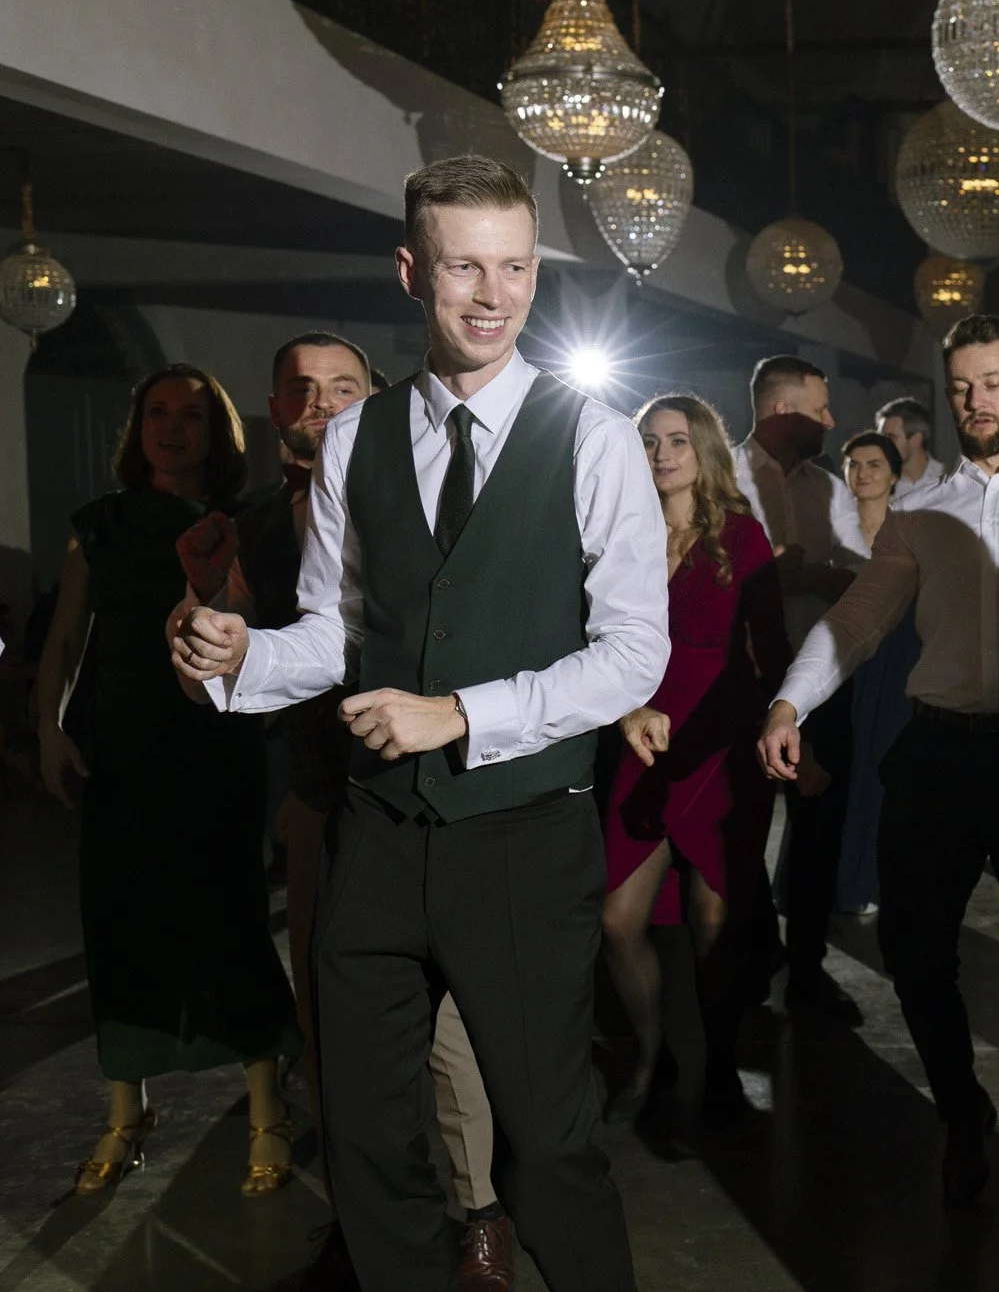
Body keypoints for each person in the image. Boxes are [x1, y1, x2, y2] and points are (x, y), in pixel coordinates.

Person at [168, 155, 665, 1291]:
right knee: (367, 1142)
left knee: (545, 1149)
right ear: (411, 272)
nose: (492, 295)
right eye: (462, 268)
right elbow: (338, 634)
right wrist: (242, 657)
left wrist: (460, 714)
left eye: (515, 268)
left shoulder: (591, 439)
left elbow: (634, 652)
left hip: (524, 838)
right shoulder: (354, 438)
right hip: (376, 839)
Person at [757, 313, 999, 1230]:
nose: (977, 400)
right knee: (912, 950)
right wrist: (788, 702)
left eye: (994, 382)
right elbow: (857, 620)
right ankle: (963, 1107)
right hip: (935, 748)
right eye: (962, 385)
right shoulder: (921, 512)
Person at [187, 332, 513, 1286]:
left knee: (449, 1027)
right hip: (317, 788)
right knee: (334, 1025)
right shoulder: (240, 524)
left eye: (342, 386)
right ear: (276, 406)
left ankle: (480, 1213)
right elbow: (232, 645)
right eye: (302, 388)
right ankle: (365, 1221)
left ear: (373, 396)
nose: (321, 403)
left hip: (425, 787)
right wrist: (202, 631)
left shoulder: (425, 488)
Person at [35, 364, 300, 1200]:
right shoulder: (100, 525)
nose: (173, 427)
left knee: (227, 917)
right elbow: (67, 640)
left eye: (193, 414)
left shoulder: (243, 521)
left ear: (219, 433)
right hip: (121, 751)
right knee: (118, 925)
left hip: (213, 748)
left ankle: (266, 1108)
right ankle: (127, 1111)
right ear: (136, 426)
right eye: (158, 411)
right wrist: (49, 727)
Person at [601, 394, 791, 1127]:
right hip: (640, 735)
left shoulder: (741, 536)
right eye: (649, 442)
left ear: (704, 449)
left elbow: (770, 649)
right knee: (618, 919)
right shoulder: (623, 533)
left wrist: (790, 733)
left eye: (677, 440)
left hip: (722, 739)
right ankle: (654, 1055)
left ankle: (717, 1069)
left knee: (717, 922)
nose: (661, 454)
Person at [733, 354, 868, 1026]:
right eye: (820, 409)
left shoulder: (827, 488)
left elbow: (861, 576)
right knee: (739, 825)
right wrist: (762, 574)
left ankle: (809, 969)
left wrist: (811, 572)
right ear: (783, 410)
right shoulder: (722, 476)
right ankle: (759, 950)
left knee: (820, 831)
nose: (831, 421)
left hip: (819, 684)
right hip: (741, 678)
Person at [835, 431, 917, 914]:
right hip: (841, 659)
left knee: (882, 766)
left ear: (892, 474)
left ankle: (878, 878)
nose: (862, 473)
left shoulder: (909, 527)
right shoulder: (832, 525)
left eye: (873, 464)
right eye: (853, 464)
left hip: (896, 658)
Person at [877, 397, 947, 497]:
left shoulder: (947, 480)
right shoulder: (878, 485)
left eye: (891, 438)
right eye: (881, 438)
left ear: (916, 440)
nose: (882, 445)